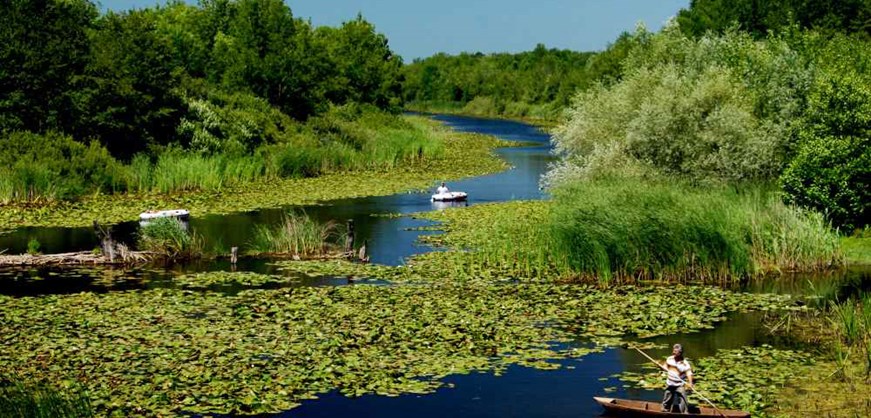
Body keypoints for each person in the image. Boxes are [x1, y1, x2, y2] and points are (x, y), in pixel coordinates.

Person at [661, 343, 693, 413]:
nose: (673, 353)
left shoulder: (685, 363)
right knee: (667, 399)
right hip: (670, 383)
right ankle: (665, 411)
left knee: (683, 400)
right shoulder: (669, 359)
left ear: (680, 353)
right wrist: (664, 367)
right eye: (673, 351)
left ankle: (684, 413)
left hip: (679, 384)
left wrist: (690, 383)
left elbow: (689, 373)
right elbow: (665, 366)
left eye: (675, 352)